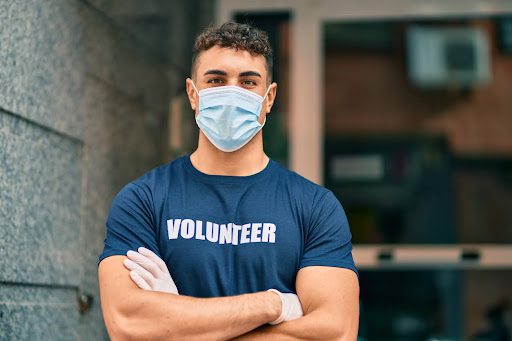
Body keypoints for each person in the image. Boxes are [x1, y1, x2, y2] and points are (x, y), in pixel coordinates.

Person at [98, 22, 359, 340]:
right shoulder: (143, 201)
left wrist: (179, 320)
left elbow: (335, 333)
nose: (232, 92)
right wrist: (273, 304)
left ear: (269, 98)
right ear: (193, 94)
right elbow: (129, 326)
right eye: (217, 80)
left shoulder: (315, 206)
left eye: (248, 82)